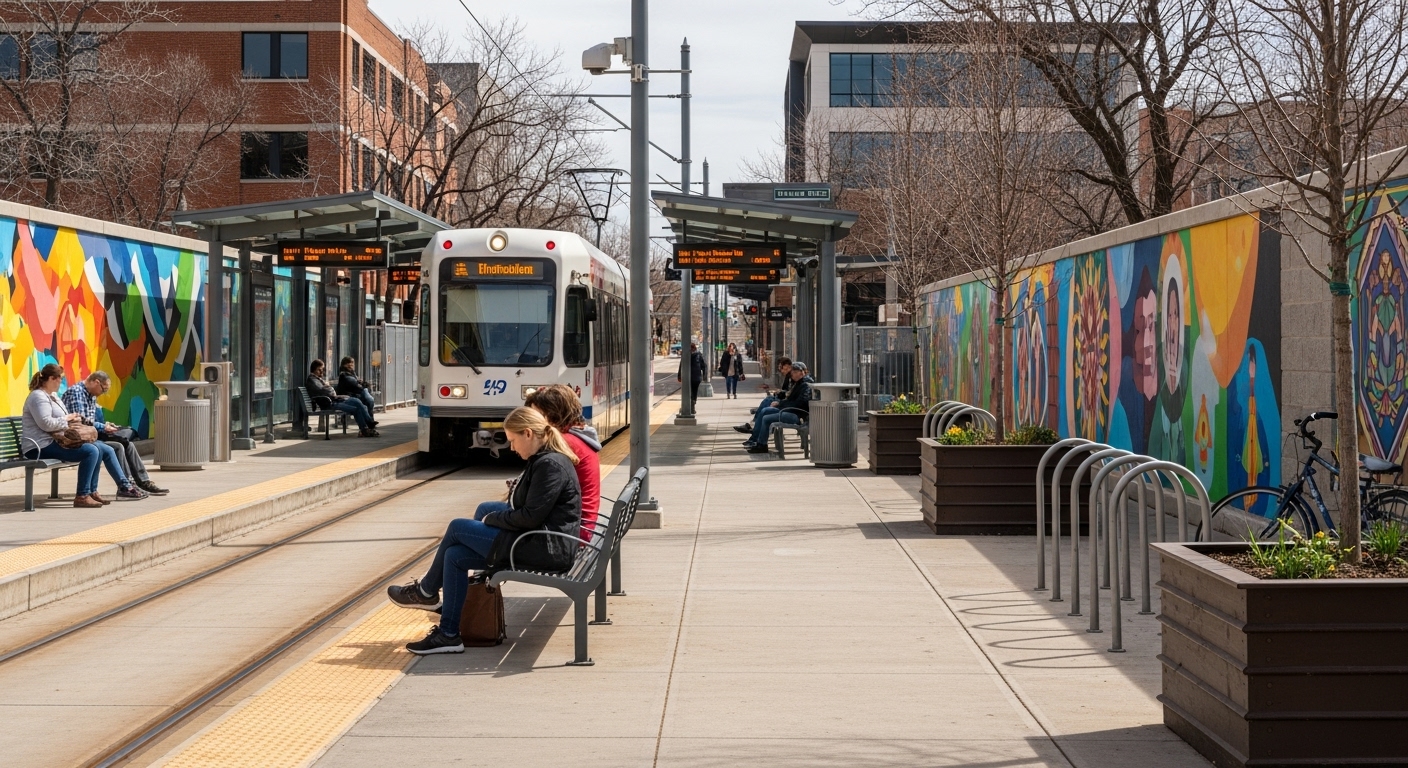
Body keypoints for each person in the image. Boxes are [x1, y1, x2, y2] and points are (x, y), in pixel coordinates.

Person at [388, 407, 583, 655]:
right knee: (455, 556)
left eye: (513, 441)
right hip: (540, 541)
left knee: (458, 527)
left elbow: (530, 517)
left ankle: (426, 591)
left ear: (528, 434)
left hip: (545, 548)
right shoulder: (544, 459)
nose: (512, 448)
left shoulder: (550, 465)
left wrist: (494, 519)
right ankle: (448, 635)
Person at [63, 371, 165, 496]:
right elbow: (80, 421)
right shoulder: (76, 393)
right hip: (78, 437)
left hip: (91, 434)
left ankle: (143, 481)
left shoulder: (90, 394)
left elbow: (90, 421)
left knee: (128, 443)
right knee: (117, 447)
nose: (103, 393)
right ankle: (126, 485)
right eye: (104, 390)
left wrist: (106, 425)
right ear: (96, 382)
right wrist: (103, 427)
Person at [522, 385, 602, 541]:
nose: (531, 422)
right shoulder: (577, 436)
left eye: (537, 416)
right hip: (579, 523)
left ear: (553, 415)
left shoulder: (562, 443)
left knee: (463, 532)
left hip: (569, 532)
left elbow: (535, 504)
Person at [22, 364, 106, 508]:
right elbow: (46, 424)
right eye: (59, 378)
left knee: (98, 448)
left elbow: (61, 419)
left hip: (54, 441)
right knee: (91, 451)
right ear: (51, 378)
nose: (61, 382)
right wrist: (66, 419)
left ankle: (91, 491)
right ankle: (82, 495)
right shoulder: (38, 397)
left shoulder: (53, 396)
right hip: (39, 446)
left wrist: (73, 419)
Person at [744, 361, 813, 453]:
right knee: (765, 410)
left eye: (795, 372)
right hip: (791, 411)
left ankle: (761, 444)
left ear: (802, 372)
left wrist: (780, 404)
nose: (792, 375)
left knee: (766, 418)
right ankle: (757, 441)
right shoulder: (799, 383)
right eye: (792, 372)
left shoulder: (806, 385)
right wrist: (780, 402)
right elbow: (790, 398)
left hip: (797, 415)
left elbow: (800, 403)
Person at [307, 359, 378, 437]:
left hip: (334, 400)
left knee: (356, 401)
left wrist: (329, 388)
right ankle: (364, 429)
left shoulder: (318, 379)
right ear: (314, 369)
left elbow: (327, 390)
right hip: (328, 404)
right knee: (355, 409)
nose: (321, 372)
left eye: (322, 369)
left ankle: (369, 422)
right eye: (319, 370)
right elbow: (324, 391)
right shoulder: (312, 380)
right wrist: (329, 387)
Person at [734, 357, 792, 434]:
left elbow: (789, 393)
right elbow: (786, 391)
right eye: (780, 368)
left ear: (788, 366)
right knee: (768, 400)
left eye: (782, 368)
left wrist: (779, 394)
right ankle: (754, 423)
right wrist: (777, 392)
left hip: (787, 403)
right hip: (784, 400)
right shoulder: (789, 376)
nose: (781, 371)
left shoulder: (792, 377)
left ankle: (754, 423)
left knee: (768, 403)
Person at [335, 356, 379, 423]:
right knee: (366, 396)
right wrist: (363, 385)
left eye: (352, 363)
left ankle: (369, 420)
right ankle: (369, 420)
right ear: (344, 364)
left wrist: (362, 384)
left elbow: (357, 383)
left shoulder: (352, 373)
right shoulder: (343, 374)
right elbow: (354, 385)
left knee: (366, 397)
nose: (351, 364)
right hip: (348, 395)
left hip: (354, 394)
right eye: (349, 363)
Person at [677, 342, 706, 412]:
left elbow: (681, 366)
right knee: (694, 391)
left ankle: (689, 406)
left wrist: (679, 376)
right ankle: (693, 405)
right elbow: (704, 366)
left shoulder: (685, 355)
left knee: (688, 391)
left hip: (688, 377)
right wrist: (704, 376)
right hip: (697, 377)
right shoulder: (699, 355)